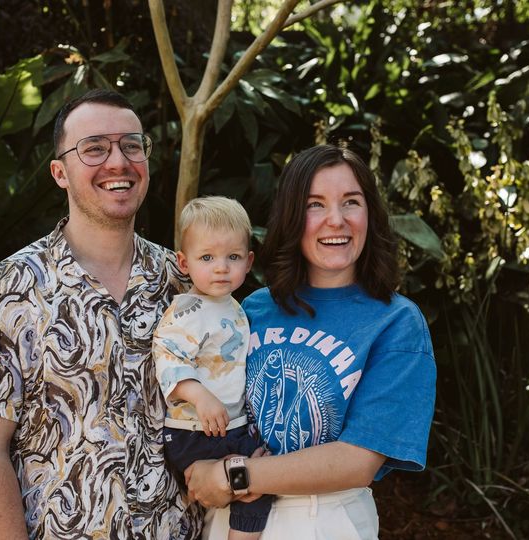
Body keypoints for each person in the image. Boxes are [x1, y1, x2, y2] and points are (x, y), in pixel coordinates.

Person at [0, 89, 201, 539]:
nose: (118, 162)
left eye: (131, 145)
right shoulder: (7, 289)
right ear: (60, 172)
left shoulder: (183, 282)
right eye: (95, 148)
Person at [186, 145, 437, 539]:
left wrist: (235, 475)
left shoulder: (396, 322)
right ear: (291, 216)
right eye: (315, 204)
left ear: (369, 213)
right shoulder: (252, 308)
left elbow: (358, 460)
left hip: (325, 518)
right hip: (229, 520)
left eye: (350, 202)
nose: (335, 220)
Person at [153, 196, 273, 540]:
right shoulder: (187, 310)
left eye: (232, 257)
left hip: (228, 430)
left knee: (258, 480)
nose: (221, 267)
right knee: (253, 482)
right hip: (193, 432)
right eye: (207, 257)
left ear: (248, 262)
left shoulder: (234, 306)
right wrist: (200, 396)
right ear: (184, 262)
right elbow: (168, 356)